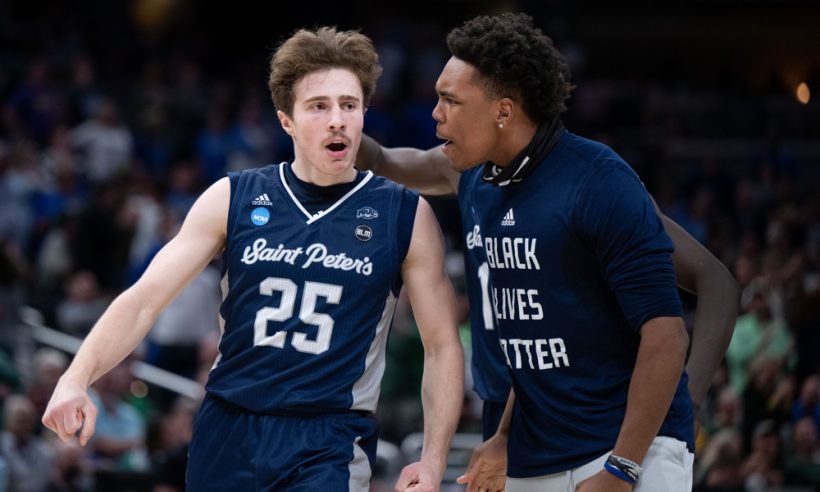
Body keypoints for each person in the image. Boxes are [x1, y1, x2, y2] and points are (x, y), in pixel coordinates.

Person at [41, 26, 464, 491]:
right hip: (229, 428)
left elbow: (442, 344)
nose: (337, 120)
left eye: (349, 104)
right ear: (287, 121)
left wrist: (433, 458)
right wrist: (75, 377)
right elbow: (144, 299)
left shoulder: (404, 213)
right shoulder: (233, 196)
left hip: (329, 438)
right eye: (318, 106)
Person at [357, 12, 738, 492]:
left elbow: (667, 337)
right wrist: (502, 435)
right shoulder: (479, 176)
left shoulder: (597, 181)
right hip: (535, 433)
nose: (435, 113)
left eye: (450, 100)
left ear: (503, 110)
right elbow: (538, 340)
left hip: (622, 441)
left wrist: (628, 464)